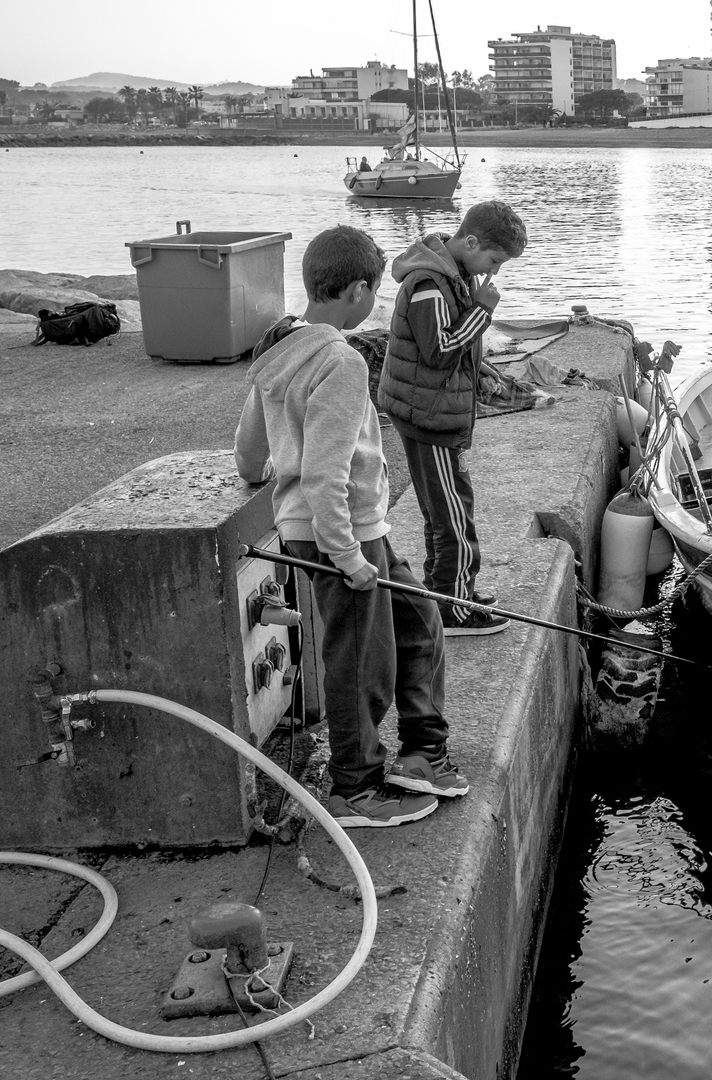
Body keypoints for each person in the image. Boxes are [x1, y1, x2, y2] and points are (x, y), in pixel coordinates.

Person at [235, 225, 467, 829]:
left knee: (418, 618)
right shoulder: (339, 360)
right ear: (359, 289)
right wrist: (349, 557)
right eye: (373, 293)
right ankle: (355, 785)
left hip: (346, 528)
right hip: (342, 534)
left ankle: (421, 752)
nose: (375, 307)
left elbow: (248, 452)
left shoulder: (279, 347)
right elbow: (323, 474)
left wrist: (267, 476)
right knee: (360, 656)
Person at [379, 200, 527, 636]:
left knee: (443, 512)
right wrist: (482, 310)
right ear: (472, 241)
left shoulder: (450, 272)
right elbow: (440, 352)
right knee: (454, 519)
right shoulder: (429, 282)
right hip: (431, 419)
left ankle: (444, 594)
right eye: (495, 260)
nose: (494, 272)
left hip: (430, 411)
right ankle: (454, 610)